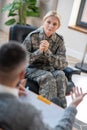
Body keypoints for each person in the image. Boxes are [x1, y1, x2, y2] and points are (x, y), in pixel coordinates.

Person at [0, 41, 87, 130]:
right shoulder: (27, 114)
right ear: (22, 74)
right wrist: (72, 106)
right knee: (56, 102)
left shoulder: (58, 41)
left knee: (56, 101)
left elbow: (63, 63)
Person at [23, 10, 68, 108]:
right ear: (44, 21)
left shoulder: (59, 40)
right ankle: (44, 110)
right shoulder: (33, 36)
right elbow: (22, 60)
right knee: (47, 77)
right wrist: (39, 51)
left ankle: (61, 110)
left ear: (58, 27)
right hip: (32, 69)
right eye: (48, 22)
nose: (51, 26)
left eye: (54, 24)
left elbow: (63, 64)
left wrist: (48, 53)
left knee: (61, 75)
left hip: (50, 69)